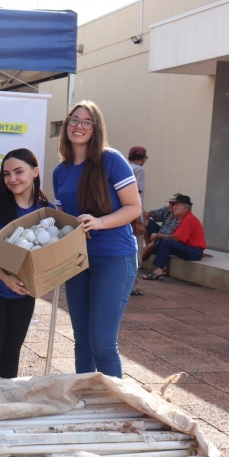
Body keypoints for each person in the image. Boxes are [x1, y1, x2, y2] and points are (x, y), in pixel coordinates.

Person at [52, 101, 142, 378]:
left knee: (102, 343)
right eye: (74, 120)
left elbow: (133, 208)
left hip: (115, 258)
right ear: (66, 125)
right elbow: (62, 217)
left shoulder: (111, 159)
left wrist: (99, 222)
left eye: (87, 122)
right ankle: (85, 400)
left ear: (96, 128)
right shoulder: (60, 172)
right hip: (77, 260)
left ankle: (116, 406)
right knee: (82, 342)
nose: (79, 126)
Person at [0, 148, 52, 378]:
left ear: (35, 172)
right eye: (6, 174)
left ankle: (5, 406)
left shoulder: (45, 211)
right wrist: (7, 278)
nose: (12, 179)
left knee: (12, 352)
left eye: (19, 172)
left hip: (23, 293)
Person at [142, 194, 206, 280]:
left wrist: (158, 235)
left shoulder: (189, 219)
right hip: (190, 249)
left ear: (185, 206)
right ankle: (161, 269)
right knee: (163, 241)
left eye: (177, 205)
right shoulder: (183, 218)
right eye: (173, 204)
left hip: (194, 251)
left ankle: (159, 271)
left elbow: (176, 238)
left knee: (166, 241)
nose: (174, 207)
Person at [127, 146, 149, 297]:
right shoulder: (139, 170)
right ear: (143, 159)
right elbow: (137, 196)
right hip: (132, 217)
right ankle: (132, 286)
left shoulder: (123, 166)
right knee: (135, 253)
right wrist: (139, 222)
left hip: (119, 215)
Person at [141, 195, 181, 262]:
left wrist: (157, 236)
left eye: (173, 203)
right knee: (144, 221)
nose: (170, 205)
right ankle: (149, 246)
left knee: (151, 247)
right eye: (169, 203)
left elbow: (175, 237)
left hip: (166, 241)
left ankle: (137, 262)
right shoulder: (167, 209)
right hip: (159, 234)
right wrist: (147, 214)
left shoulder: (182, 217)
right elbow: (152, 213)